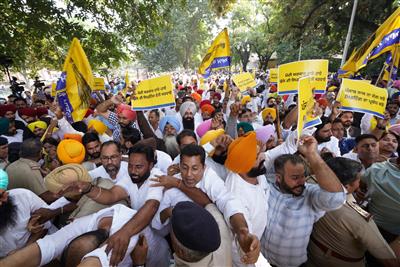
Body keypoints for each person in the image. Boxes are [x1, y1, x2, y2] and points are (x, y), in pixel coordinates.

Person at [151, 144, 261, 265]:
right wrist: (171, 211)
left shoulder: (209, 178)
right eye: (184, 167)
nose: (188, 174)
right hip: (188, 257)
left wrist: (242, 231)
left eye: (194, 168)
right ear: (179, 166)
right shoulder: (170, 190)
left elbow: (227, 201)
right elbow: (156, 224)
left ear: (204, 167)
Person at [59, 145, 169, 266]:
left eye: (138, 167)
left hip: (156, 237)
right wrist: (88, 189)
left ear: (151, 165)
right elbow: (111, 195)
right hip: (135, 227)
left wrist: (125, 232)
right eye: (130, 166)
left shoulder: (157, 177)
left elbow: (151, 206)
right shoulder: (130, 177)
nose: (133, 171)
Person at [261, 136, 346, 267]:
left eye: (303, 176)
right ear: (278, 178)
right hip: (261, 260)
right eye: (295, 177)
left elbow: (335, 198)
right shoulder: (267, 185)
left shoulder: (310, 195)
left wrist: (312, 154)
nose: (301, 182)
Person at [307, 157, 398, 267]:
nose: (360, 183)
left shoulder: (309, 182)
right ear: (347, 186)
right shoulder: (357, 217)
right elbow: (388, 259)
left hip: (312, 253)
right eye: (359, 180)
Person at [224, 132, 270, 266]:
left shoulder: (255, 173)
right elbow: (244, 239)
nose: (263, 157)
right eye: (257, 156)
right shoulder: (236, 195)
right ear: (245, 166)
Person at [6, 138, 58, 204]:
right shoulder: (33, 169)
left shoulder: (10, 166)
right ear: (40, 153)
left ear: (20, 152)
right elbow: (48, 197)